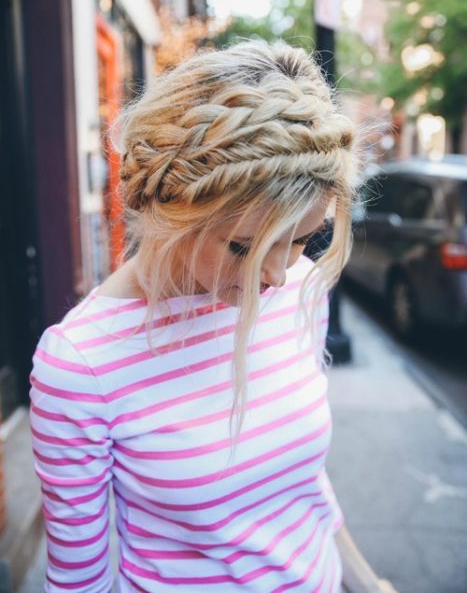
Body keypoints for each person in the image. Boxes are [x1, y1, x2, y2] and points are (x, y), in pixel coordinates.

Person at [29, 41, 397, 592]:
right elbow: (80, 581)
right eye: (245, 248)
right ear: (172, 212)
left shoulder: (300, 291)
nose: (274, 276)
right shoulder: (80, 366)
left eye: (299, 240)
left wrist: (369, 583)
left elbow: (302, 485)